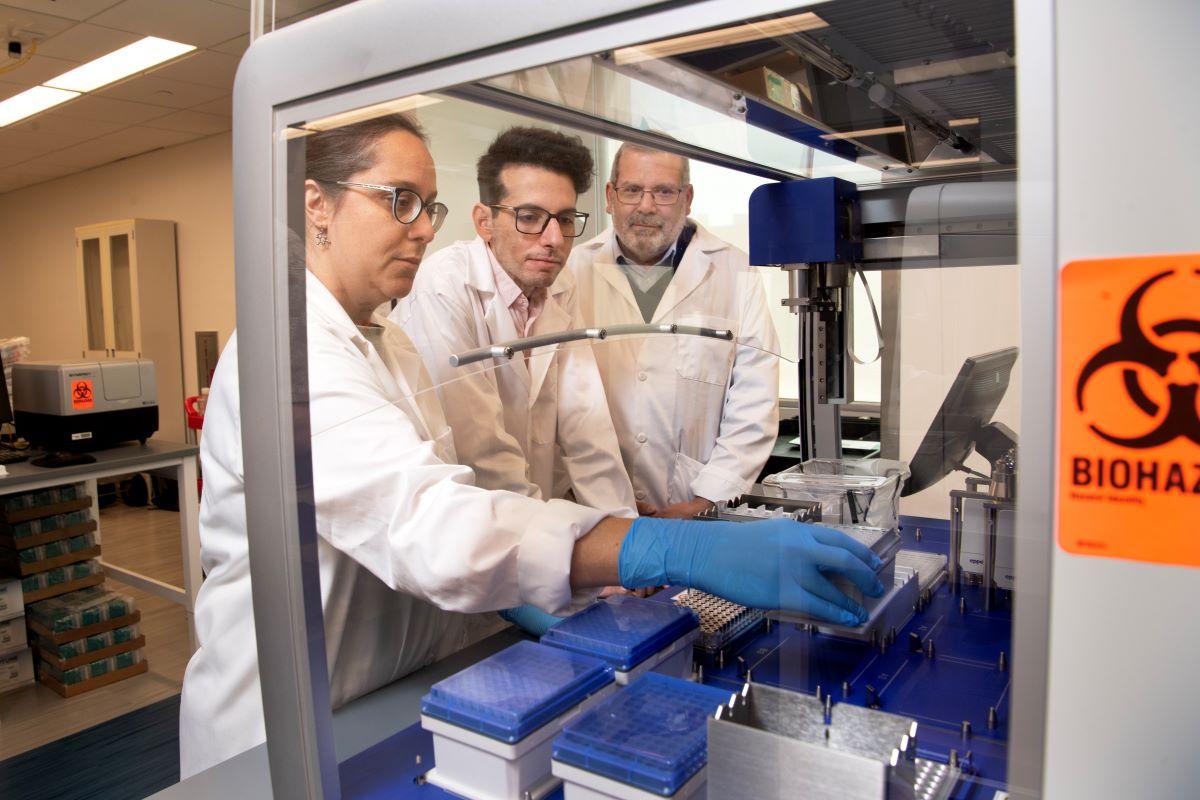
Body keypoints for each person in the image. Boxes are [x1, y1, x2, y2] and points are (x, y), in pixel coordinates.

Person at [178, 114, 882, 778]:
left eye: (428, 206)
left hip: (397, 685)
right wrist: (668, 548)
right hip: (283, 726)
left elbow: (576, 438)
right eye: (399, 201)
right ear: (317, 204)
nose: (422, 229)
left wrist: (620, 565)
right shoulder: (287, 354)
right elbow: (432, 520)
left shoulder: (384, 338)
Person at [394, 127, 634, 516]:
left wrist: (625, 535)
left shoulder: (559, 286)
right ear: (484, 221)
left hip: (532, 516)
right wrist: (569, 545)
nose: (554, 238)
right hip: (470, 523)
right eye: (530, 217)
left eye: (566, 218)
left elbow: (587, 426)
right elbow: (481, 452)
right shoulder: (443, 288)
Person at [567, 142, 780, 519]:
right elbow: (560, 405)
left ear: (687, 198)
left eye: (663, 191)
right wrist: (601, 500)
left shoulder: (736, 271)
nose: (646, 206)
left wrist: (706, 501)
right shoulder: (571, 271)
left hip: (697, 508)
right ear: (609, 197)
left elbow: (755, 401)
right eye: (632, 190)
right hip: (593, 510)